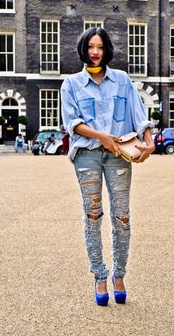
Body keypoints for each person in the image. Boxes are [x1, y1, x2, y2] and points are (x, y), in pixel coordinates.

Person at [61, 27, 155, 306]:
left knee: (122, 216)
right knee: (93, 215)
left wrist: (148, 143)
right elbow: (72, 123)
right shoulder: (71, 84)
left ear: (107, 50)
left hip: (118, 157)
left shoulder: (122, 81)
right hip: (87, 155)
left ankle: (119, 275)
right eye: (91, 46)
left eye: (100, 47)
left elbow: (140, 117)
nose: (95, 52)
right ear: (83, 48)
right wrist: (102, 136)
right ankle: (100, 276)